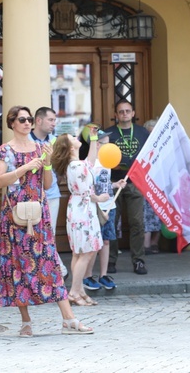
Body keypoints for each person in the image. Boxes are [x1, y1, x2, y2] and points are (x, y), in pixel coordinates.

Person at [0, 106, 93, 337]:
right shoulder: (5, 150)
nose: (28, 123)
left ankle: (69, 319)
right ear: (12, 123)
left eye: (29, 119)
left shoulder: (41, 147)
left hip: (39, 214)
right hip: (14, 216)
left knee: (49, 263)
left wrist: (46, 163)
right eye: (22, 119)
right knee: (18, 266)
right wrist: (26, 167)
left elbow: (47, 184)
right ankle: (26, 322)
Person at [52, 126, 106, 306]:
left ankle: (78, 289)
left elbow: (90, 162)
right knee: (87, 251)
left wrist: (92, 140)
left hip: (79, 210)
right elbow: (86, 192)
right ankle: (74, 291)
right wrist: (101, 198)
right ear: (70, 147)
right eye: (72, 137)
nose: (76, 137)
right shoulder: (76, 165)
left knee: (79, 252)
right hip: (83, 211)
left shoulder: (76, 164)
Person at [105, 101, 150, 275]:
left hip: (135, 184)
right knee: (112, 224)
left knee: (137, 223)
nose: (124, 114)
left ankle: (138, 261)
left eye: (127, 111)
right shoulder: (109, 133)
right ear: (116, 114)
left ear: (133, 113)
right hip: (114, 184)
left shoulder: (142, 132)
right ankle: (110, 261)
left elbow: (149, 154)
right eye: (121, 112)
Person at [29, 106, 67, 277]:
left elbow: (61, 167)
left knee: (48, 234)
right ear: (38, 120)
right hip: (31, 196)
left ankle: (56, 270)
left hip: (51, 195)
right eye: (50, 120)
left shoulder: (55, 141)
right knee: (32, 235)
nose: (54, 123)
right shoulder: (27, 141)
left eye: (54, 120)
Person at [85, 130, 121, 291]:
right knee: (94, 243)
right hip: (95, 208)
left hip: (109, 207)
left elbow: (105, 184)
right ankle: (87, 275)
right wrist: (97, 200)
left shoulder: (108, 162)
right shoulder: (90, 163)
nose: (110, 147)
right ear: (97, 144)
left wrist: (115, 185)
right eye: (107, 143)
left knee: (106, 241)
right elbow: (88, 188)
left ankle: (103, 274)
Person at [142, 118, 162, 254]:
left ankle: (155, 243)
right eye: (149, 132)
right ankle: (146, 245)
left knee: (160, 214)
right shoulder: (143, 147)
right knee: (146, 215)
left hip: (160, 184)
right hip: (145, 184)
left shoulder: (162, 146)